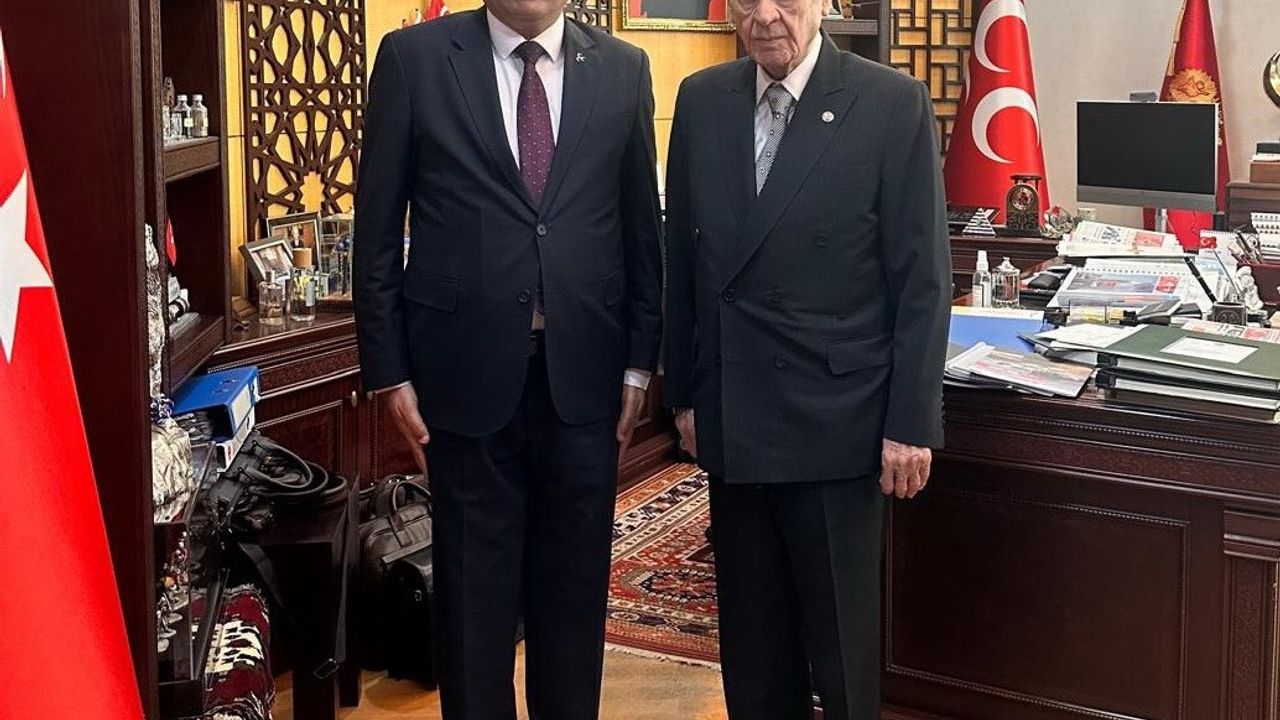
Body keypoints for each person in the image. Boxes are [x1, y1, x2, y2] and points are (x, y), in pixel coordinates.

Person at [351, 0, 664, 716]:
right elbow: (376, 233)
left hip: (585, 378)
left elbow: (642, 232)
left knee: (573, 606)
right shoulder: (415, 61)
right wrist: (389, 371)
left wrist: (639, 363)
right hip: (459, 381)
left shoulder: (623, 69)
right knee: (471, 610)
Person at [663, 0, 951, 714]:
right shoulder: (702, 100)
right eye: (746, 0)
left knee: (841, 655)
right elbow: (682, 263)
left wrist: (910, 423)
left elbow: (922, 278)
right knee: (754, 653)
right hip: (735, 415)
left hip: (837, 424)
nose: (764, 16)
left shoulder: (890, 103)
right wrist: (685, 395)